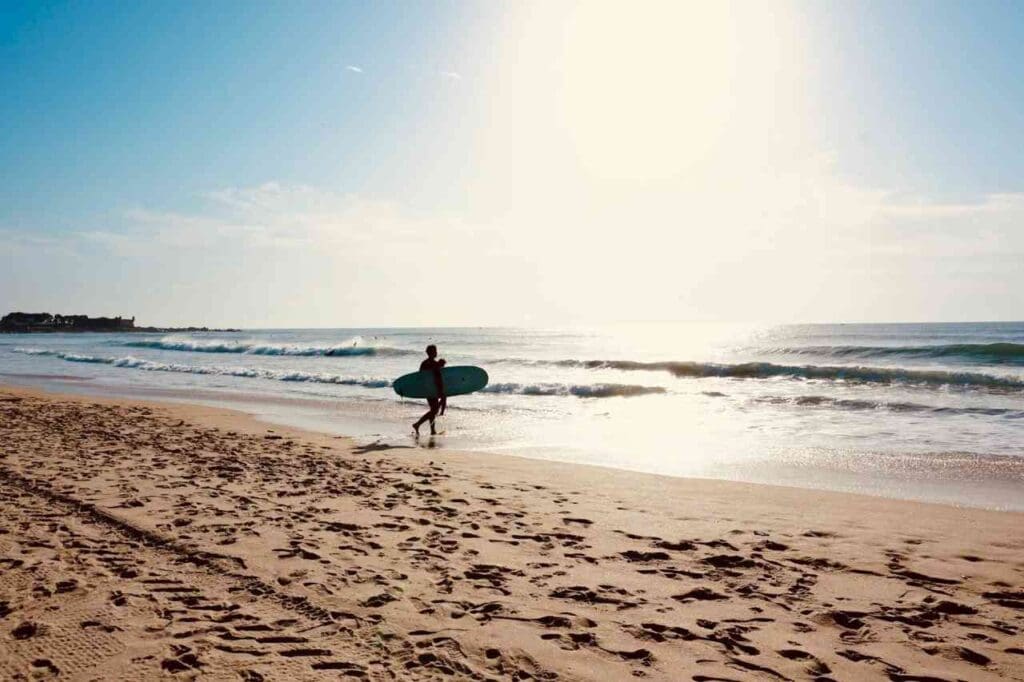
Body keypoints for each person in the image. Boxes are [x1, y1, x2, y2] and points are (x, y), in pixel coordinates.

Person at [413, 345, 445, 436]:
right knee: (434, 410)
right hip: (433, 390)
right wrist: (441, 391)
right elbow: (437, 378)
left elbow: (422, 376)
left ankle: (432, 430)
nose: (436, 353)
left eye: (436, 351)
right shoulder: (432, 364)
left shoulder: (425, 363)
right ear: (430, 353)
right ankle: (417, 424)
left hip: (429, 389)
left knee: (433, 410)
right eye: (435, 351)